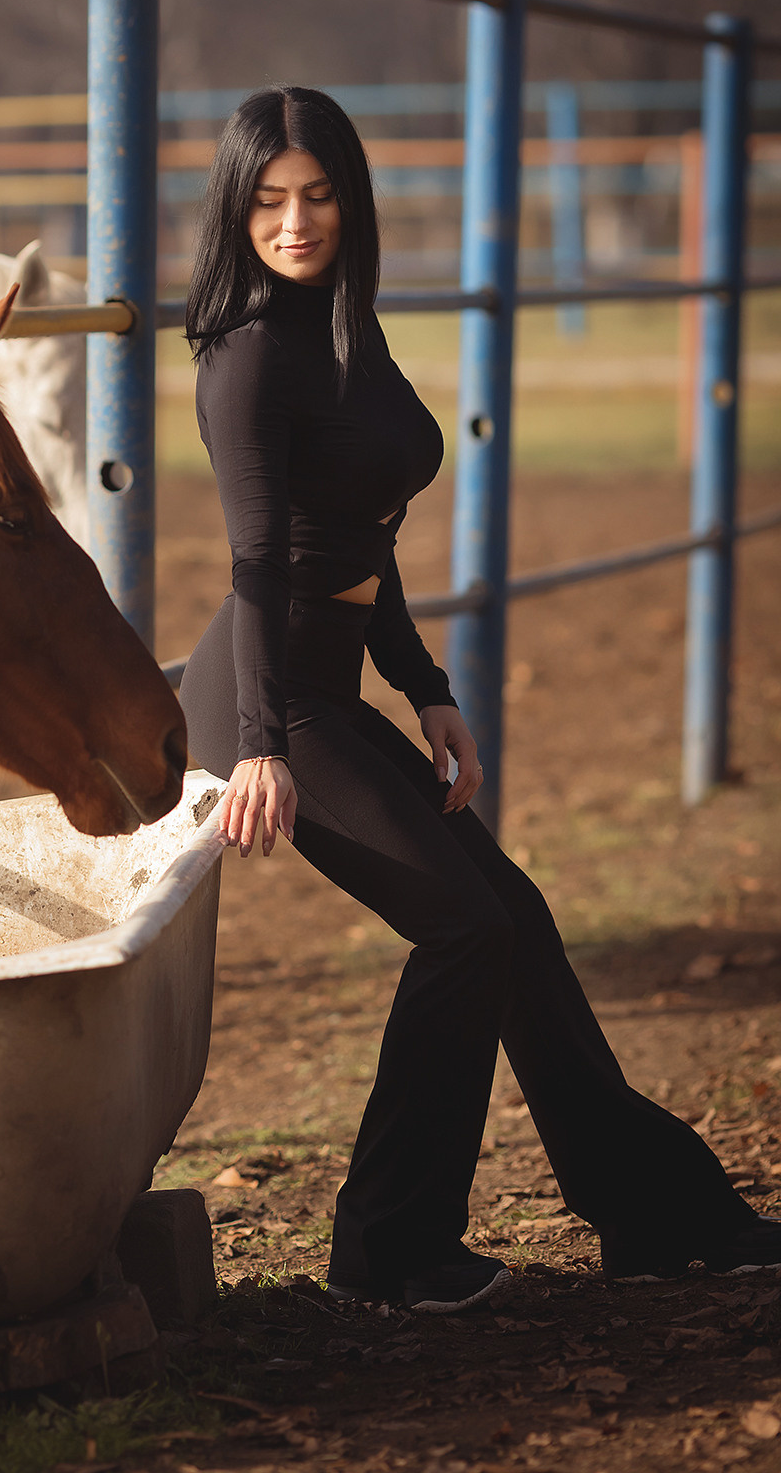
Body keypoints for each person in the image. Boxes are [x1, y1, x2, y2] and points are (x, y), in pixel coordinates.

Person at [179, 84, 781, 1314]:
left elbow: (366, 541)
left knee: (515, 914)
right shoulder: (246, 359)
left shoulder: (346, 329)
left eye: (320, 195)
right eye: (270, 201)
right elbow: (257, 561)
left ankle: (658, 1216)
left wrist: (428, 689)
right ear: (237, 211)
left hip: (333, 688)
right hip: (265, 702)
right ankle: (389, 1249)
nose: (296, 223)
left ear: (350, 200)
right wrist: (257, 752)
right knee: (465, 930)